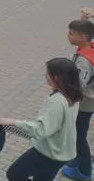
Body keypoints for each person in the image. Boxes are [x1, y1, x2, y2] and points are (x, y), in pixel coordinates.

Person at [0, 58, 81, 181]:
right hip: (64, 151)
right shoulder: (74, 94)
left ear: (56, 77)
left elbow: (40, 130)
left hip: (50, 153)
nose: (45, 76)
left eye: (47, 73)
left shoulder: (57, 101)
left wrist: (13, 122)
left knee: (14, 173)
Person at [61, 19, 94, 180]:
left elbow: (79, 85)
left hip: (84, 104)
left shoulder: (84, 60)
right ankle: (76, 160)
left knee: (79, 136)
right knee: (77, 133)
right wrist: (85, 18)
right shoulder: (90, 47)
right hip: (86, 101)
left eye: (71, 33)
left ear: (83, 37)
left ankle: (85, 170)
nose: (68, 36)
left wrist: (65, 95)